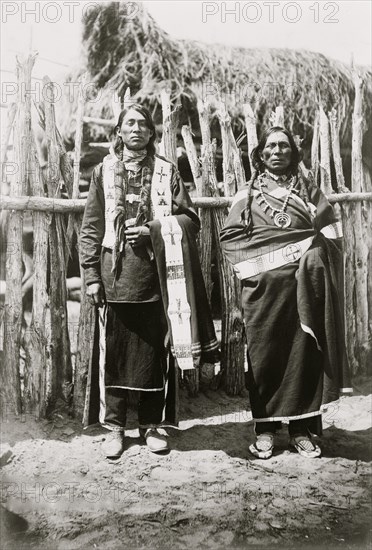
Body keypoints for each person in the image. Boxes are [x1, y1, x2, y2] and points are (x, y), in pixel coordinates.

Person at [80, 103, 219, 459]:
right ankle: (114, 428)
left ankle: (152, 424)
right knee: (114, 352)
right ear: (119, 131)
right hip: (116, 279)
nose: (137, 129)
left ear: (152, 133)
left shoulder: (165, 171)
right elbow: (92, 228)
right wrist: (93, 277)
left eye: (144, 124)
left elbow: (190, 219)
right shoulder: (103, 171)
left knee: (156, 352)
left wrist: (152, 231)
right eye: (130, 123)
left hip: (158, 280)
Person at [220, 126, 352, 459]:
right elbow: (230, 240)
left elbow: (332, 234)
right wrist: (257, 270)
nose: (278, 151)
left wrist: (313, 258)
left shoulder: (309, 190)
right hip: (262, 292)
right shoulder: (246, 195)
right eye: (271, 146)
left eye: (284, 146)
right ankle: (265, 429)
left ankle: (301, 430)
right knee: (263, 358)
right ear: (260, 154)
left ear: (293, 153)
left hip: (304, 290)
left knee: (304, 355)